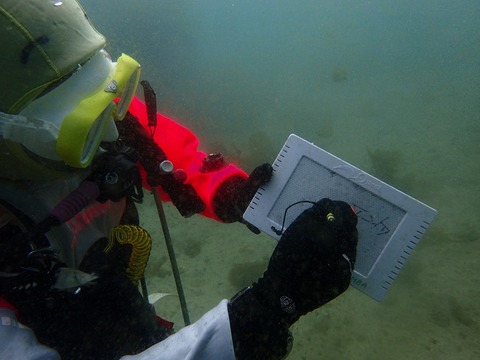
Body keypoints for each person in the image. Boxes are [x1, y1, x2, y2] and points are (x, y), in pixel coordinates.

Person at [0, 1, 358, 359]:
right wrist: (265, 310)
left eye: (110, 99)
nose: (111, 131)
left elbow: (169, 155)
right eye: (80, 128)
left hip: (105, 292)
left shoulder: (101, 116)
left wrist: (228, 191)